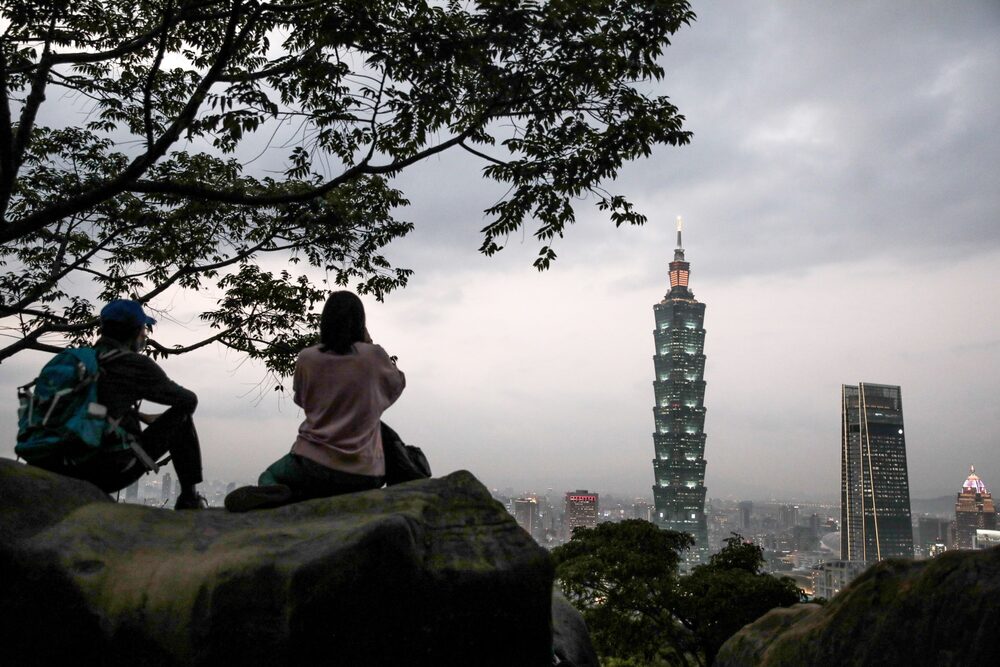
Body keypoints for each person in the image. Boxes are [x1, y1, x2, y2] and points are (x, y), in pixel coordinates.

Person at [225, 291, 405, 512]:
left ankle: (287, 496)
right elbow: (397, 384)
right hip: (366, 474)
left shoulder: (307, 358)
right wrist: (368, 344)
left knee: (270, 475)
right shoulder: (373, 357)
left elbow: (303, 401)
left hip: (312, 466)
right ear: (361, 323)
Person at [33, 300, 207, 510]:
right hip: (106, 472)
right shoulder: (133, 364)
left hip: (54, 464)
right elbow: (188, 401)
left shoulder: (77, 361)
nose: (145, 335)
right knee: (181, 419)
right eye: (144, 328)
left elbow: (90, 404)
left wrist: (141, 416)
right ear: (135, 332)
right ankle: (190, 498)